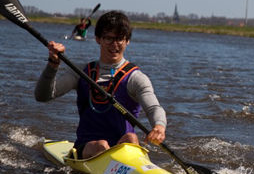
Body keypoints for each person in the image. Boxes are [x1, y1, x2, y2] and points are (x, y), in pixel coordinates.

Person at [36, 11, 167, 159]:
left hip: (122, 149)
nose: (115, 45)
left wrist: (159, 126)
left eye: (120, 39)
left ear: (127, 41)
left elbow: (153, 108)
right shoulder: (81, 73)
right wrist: (53, 65)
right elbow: (43, 96)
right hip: (87, 147)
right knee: (101, 145)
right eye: (109, 38)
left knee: (131, 138)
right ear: (98, 39)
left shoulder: (136, 78)